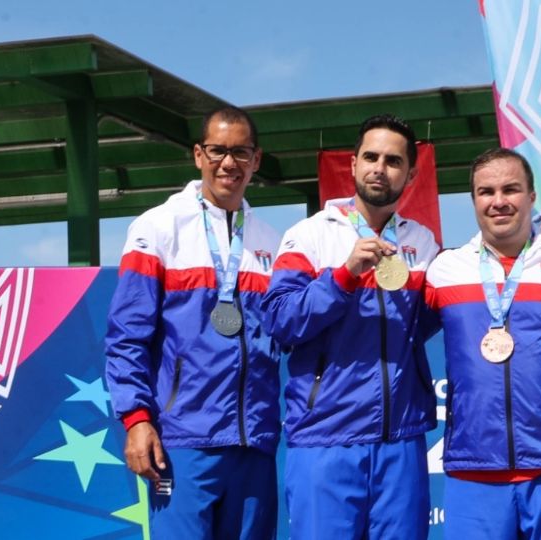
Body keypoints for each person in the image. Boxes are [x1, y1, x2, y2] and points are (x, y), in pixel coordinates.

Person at [105, 106, 281, 540]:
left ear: (256, 160)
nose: (229, 163)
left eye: (241, 152)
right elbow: (127, 335)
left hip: (253, 443)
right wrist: (137, 420)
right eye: (218, 150)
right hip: (183, 441)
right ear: (198, 155)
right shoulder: (158, 227)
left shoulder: (274, 242)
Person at [263, 114, 439, 539]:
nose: (381, 168)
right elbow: (280, 320)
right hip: (326, 438)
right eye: (371, 157)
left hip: (401, 438)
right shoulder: (309, 235)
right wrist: (342, 277)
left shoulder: (424, 241)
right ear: (354, 164)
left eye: (394, 161)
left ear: (410, 174)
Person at [423, 148, 541, 539]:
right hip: (474, 469)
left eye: (511, 189)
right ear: (473, 201)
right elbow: (395, 341)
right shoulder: (444, 270)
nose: (498, 201)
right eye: (486, 192)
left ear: (532, 197)